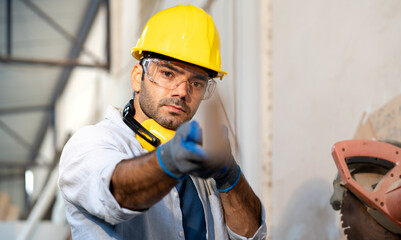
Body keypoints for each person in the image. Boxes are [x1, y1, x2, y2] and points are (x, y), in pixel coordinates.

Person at [58, 4, 266, 240]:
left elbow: (251, 235)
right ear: (138, 77)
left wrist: (230, 176)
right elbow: (118, 192)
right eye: (168, 73)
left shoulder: (204, 162)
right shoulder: (92, 143)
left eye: (196, 83)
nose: (182, 91)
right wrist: (171, 160)